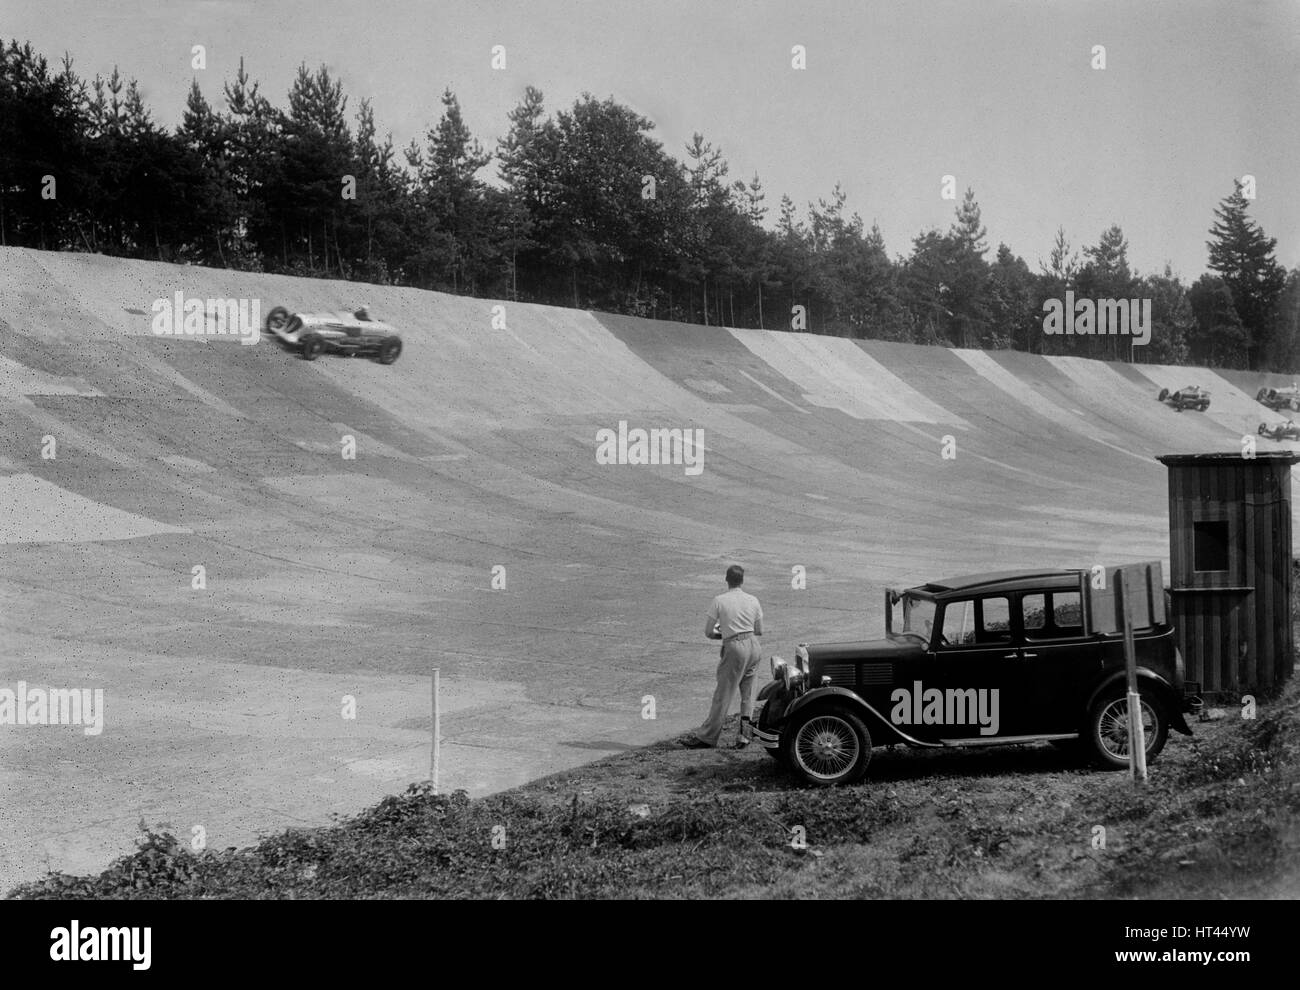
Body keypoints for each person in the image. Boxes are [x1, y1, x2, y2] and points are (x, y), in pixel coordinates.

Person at [681, 565, 764, 749]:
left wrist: (725, 634)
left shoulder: (719, 600)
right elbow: (759, 630)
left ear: (726, 579)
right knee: (748, 694)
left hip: (734, 647)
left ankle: (707, 737)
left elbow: (709, 632)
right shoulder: (753, 599)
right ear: (742, 581)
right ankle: (745, 736)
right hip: (754, 645)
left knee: (724, 693)